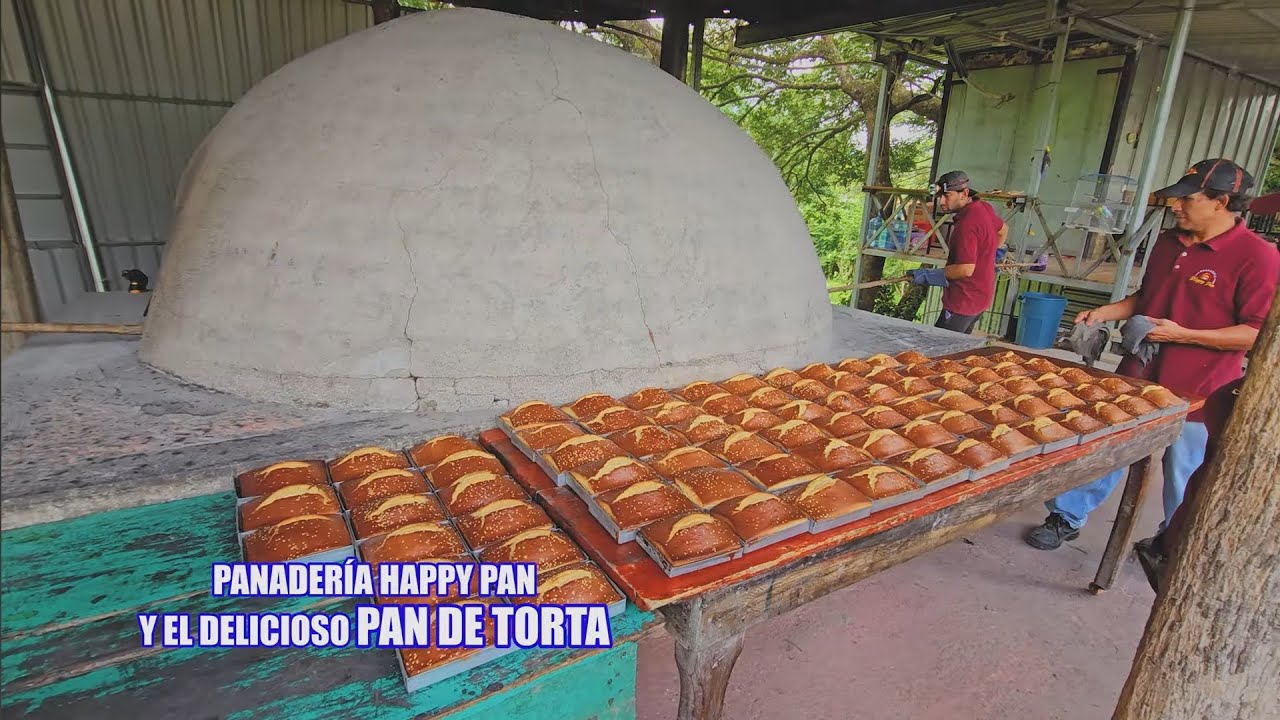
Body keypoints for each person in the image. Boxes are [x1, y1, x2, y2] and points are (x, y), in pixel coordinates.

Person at [1026, 158, 1280, 550]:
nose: (1175, 207)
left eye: (1186, 200)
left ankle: (1173, 543)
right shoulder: (1167, 242)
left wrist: (1185, 335)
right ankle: (1066, 516)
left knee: (1184, 470)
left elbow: (1255, 333)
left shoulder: (1257, 256)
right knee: (1106, 447)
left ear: (1221, 202)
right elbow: (1147, 298)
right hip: (1138, 375)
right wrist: (1103, 313)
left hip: (1201, 389)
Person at [907, 170, 1008, 334]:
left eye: (947, 196)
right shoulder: (983, 208)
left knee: (938, 351)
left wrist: (928, 275)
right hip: (981, 298)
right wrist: (990, 257)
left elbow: (965, 269)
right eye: (940, 196)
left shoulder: (966, 225)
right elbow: (1003, 230)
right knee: (957, 348)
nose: (941, 201)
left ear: (964, 193)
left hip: (963, 301)